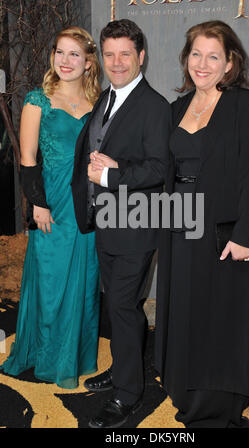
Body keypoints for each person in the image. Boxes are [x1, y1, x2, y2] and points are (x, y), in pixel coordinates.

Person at [155, 20, 249, 428]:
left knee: (219, 314)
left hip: (223, 232)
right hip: (179, 227)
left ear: (229, 64)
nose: (202, 64)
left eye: (213, 56)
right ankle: (185, 386)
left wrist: (245, 236)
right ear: (186, 59)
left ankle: (216, 403)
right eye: (196, 54)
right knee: (185, 308)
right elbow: (162, 171)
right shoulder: (174, 109)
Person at [71, 19, 171, 428]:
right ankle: (122, 368)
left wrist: (111, 176)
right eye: (109, 54)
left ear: (141, 56)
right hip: (108, 222)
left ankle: (129, 394)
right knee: (117, 303)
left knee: (124, 307)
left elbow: (159, 168)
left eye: (124, 54)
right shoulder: (106, 97)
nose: (116, 62)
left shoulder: (155, 106)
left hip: (136, 224)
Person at [0, 27, 101, 389]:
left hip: (86, 205)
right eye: (60, 52)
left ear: (89, 62)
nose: (66, 60)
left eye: (75, 54)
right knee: (51, 280)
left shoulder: (99, 104)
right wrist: (37, 205)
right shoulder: (36, 99)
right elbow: (27, 158)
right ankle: (46, 354)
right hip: (51, 204)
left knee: (85, 281)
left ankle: (77, 355)